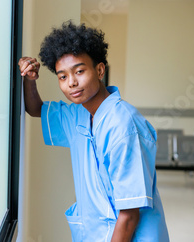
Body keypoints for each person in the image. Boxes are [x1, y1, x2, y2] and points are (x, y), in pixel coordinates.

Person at [19, 21, 169, 241]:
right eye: (62, 76)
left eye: (79, 71)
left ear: (99, 70)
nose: (71, 82)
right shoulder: (77, 115)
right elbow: (35, 109)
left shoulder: (123, 125)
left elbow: (129, 215)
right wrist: (29, 79)